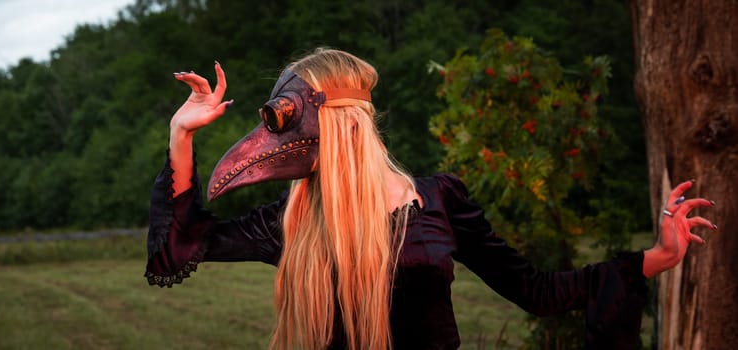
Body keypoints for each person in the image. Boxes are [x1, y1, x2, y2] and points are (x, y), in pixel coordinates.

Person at [145, 49, 716, 350]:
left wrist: (655, 259)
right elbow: (181, 245)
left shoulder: (437, 199)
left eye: (289, 116)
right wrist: (182, 135)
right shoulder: (295, 221)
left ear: (345, 123)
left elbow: (535, 291)